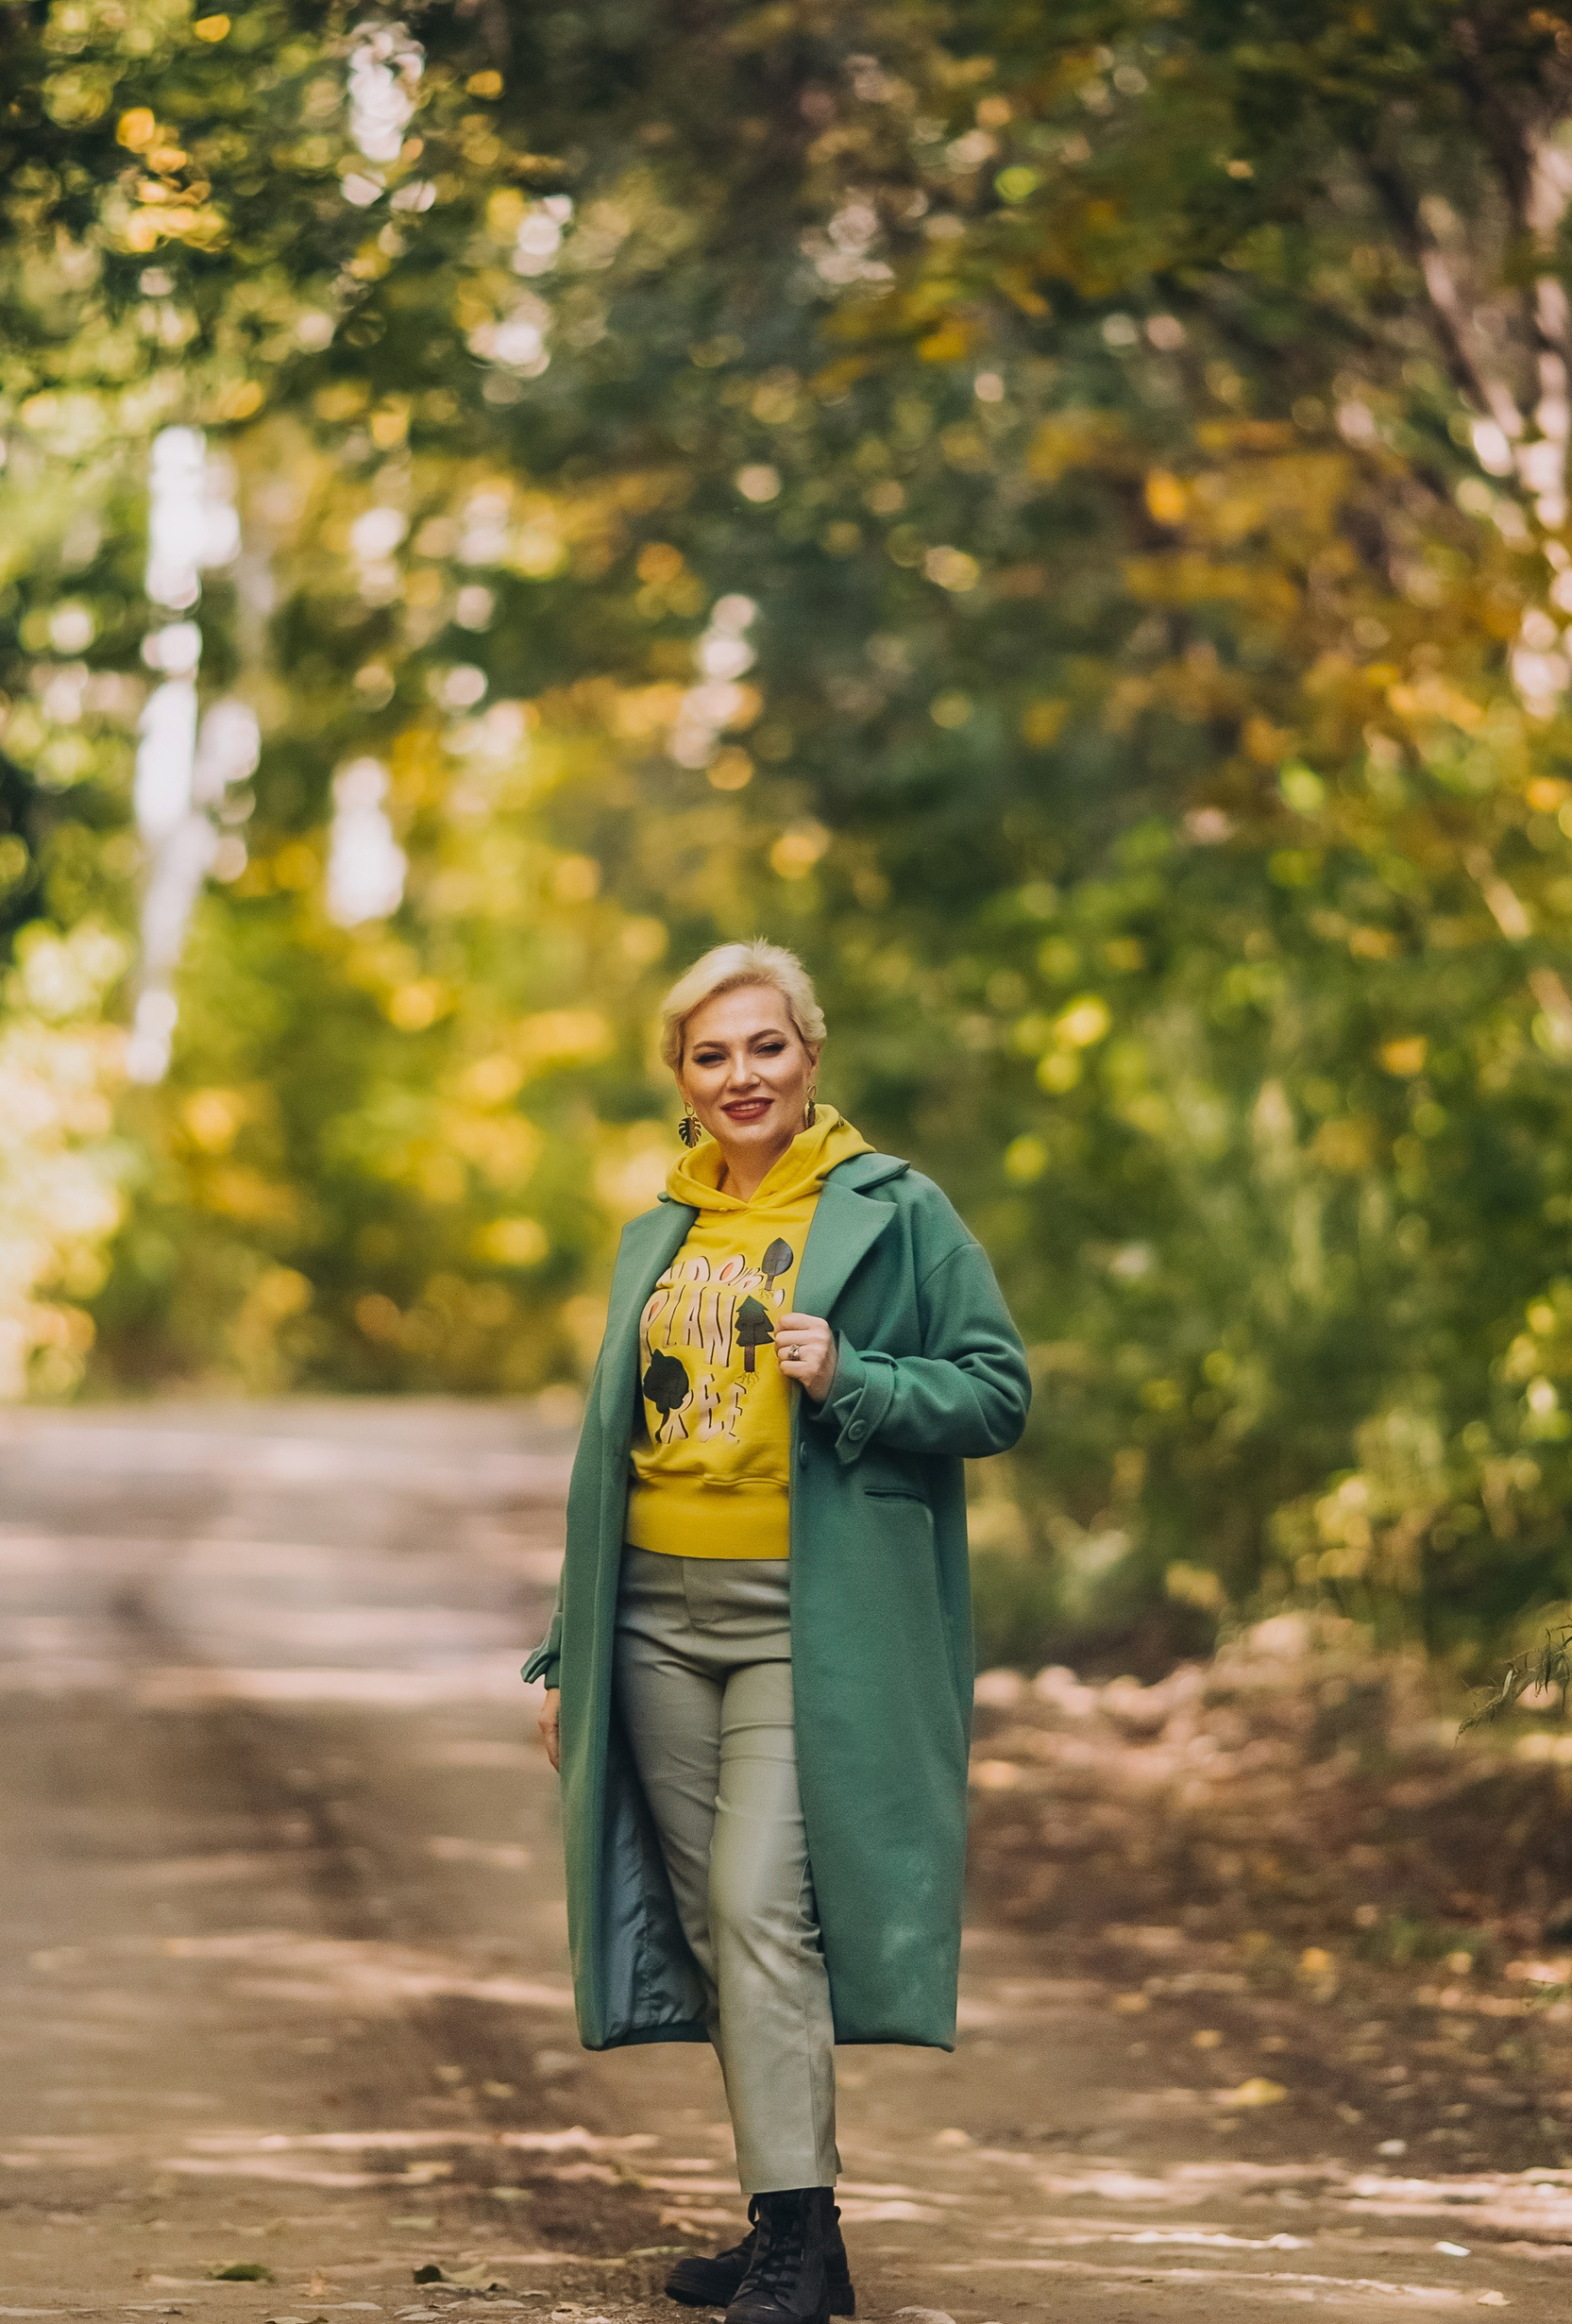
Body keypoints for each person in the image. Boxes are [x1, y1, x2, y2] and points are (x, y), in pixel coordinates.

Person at [525, 940, 1030, 2324]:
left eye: (763, 1046)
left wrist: (856, 1378)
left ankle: (803, 2242)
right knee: (710, 1924)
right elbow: (606, 1454)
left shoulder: (895, 1210)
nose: (739, 1075)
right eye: (709, 1055)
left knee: (758, 1904)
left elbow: (998, 1394)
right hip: (650, 1622)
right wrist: (570, 1646)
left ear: (811, 1055)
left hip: (807, 1624)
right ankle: (790, 2225)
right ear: (681, 1084)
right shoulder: (662, 1228)